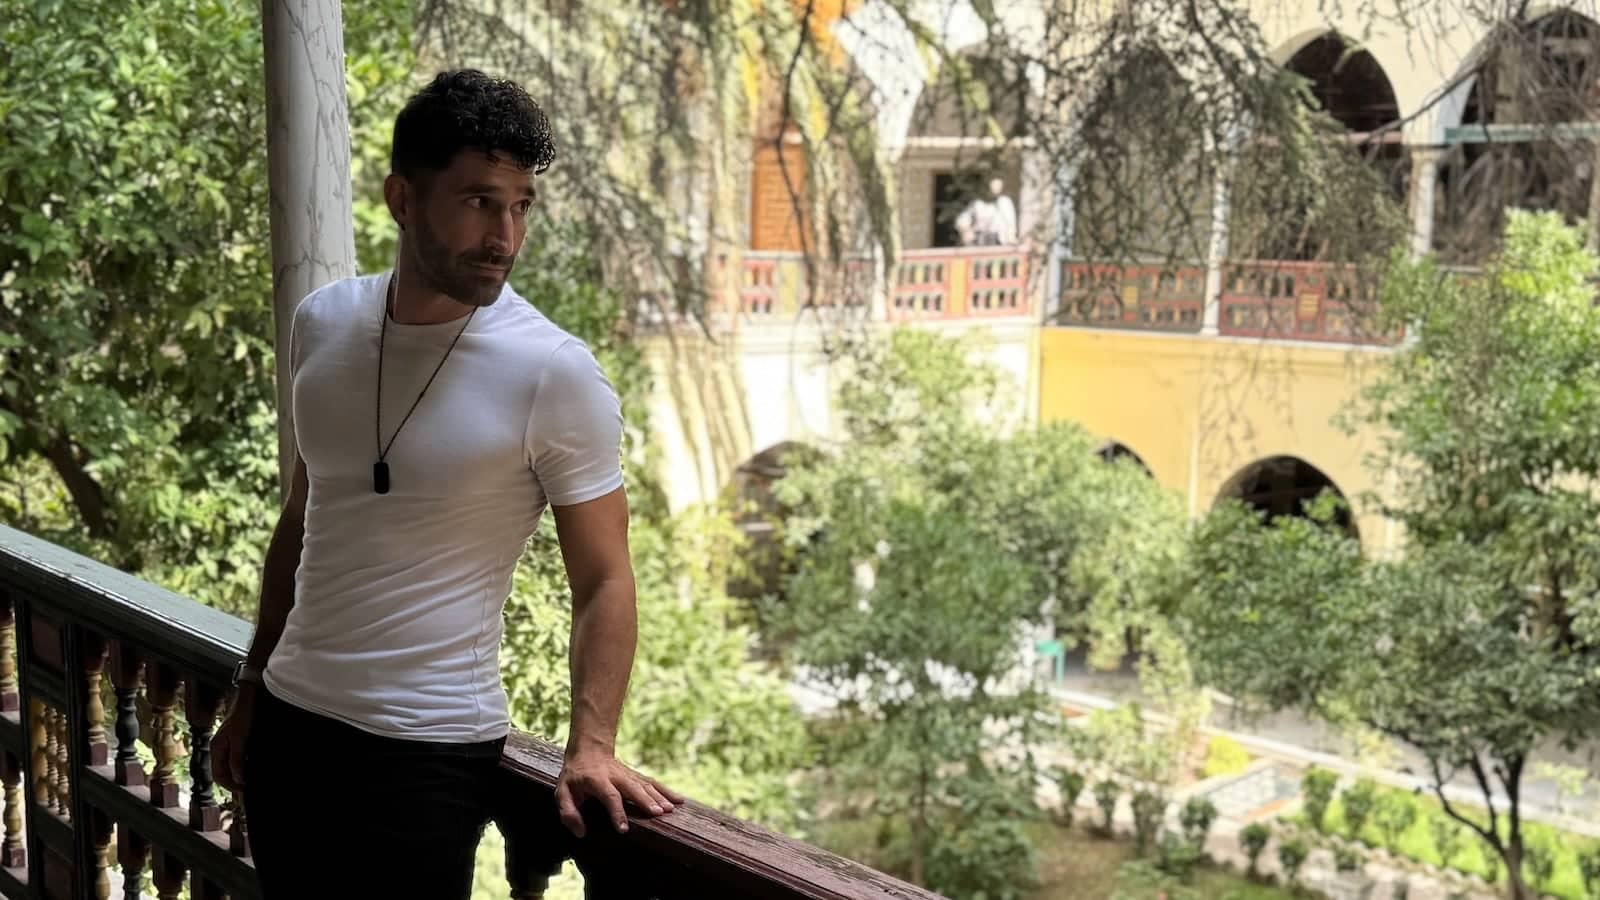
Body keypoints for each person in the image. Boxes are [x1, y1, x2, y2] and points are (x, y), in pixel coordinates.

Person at [211, 69, 682, 898]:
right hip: (289, 728)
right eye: (477, 202)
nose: (505, 233)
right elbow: (305, 511)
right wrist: (252, 681)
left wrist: (591, 745)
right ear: (403, 197)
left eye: (521, 205)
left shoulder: (553, 373)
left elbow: (606, 578)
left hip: (425, 753)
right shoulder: (321, 323)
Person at [955, 177, 1018, 246]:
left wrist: (1011, 236)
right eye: (993, 186)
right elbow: (963, 219)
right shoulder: (977, 203)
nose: (995, 189)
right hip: (979, 240)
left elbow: (1010, 222)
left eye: (998, 186)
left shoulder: (1004, 202)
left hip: (999, 240)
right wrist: (966, 229)